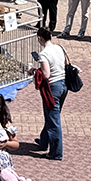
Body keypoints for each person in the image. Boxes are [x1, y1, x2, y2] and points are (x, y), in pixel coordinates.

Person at [30, 27, 66, 160]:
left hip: (52, 88)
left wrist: (33, 71)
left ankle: (56, 152)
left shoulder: (44, 54)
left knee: (53, 120)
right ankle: (44, 141)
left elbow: (46, 74)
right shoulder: (60, 48)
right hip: (63, 85)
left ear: (40, 38)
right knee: (52, 116)